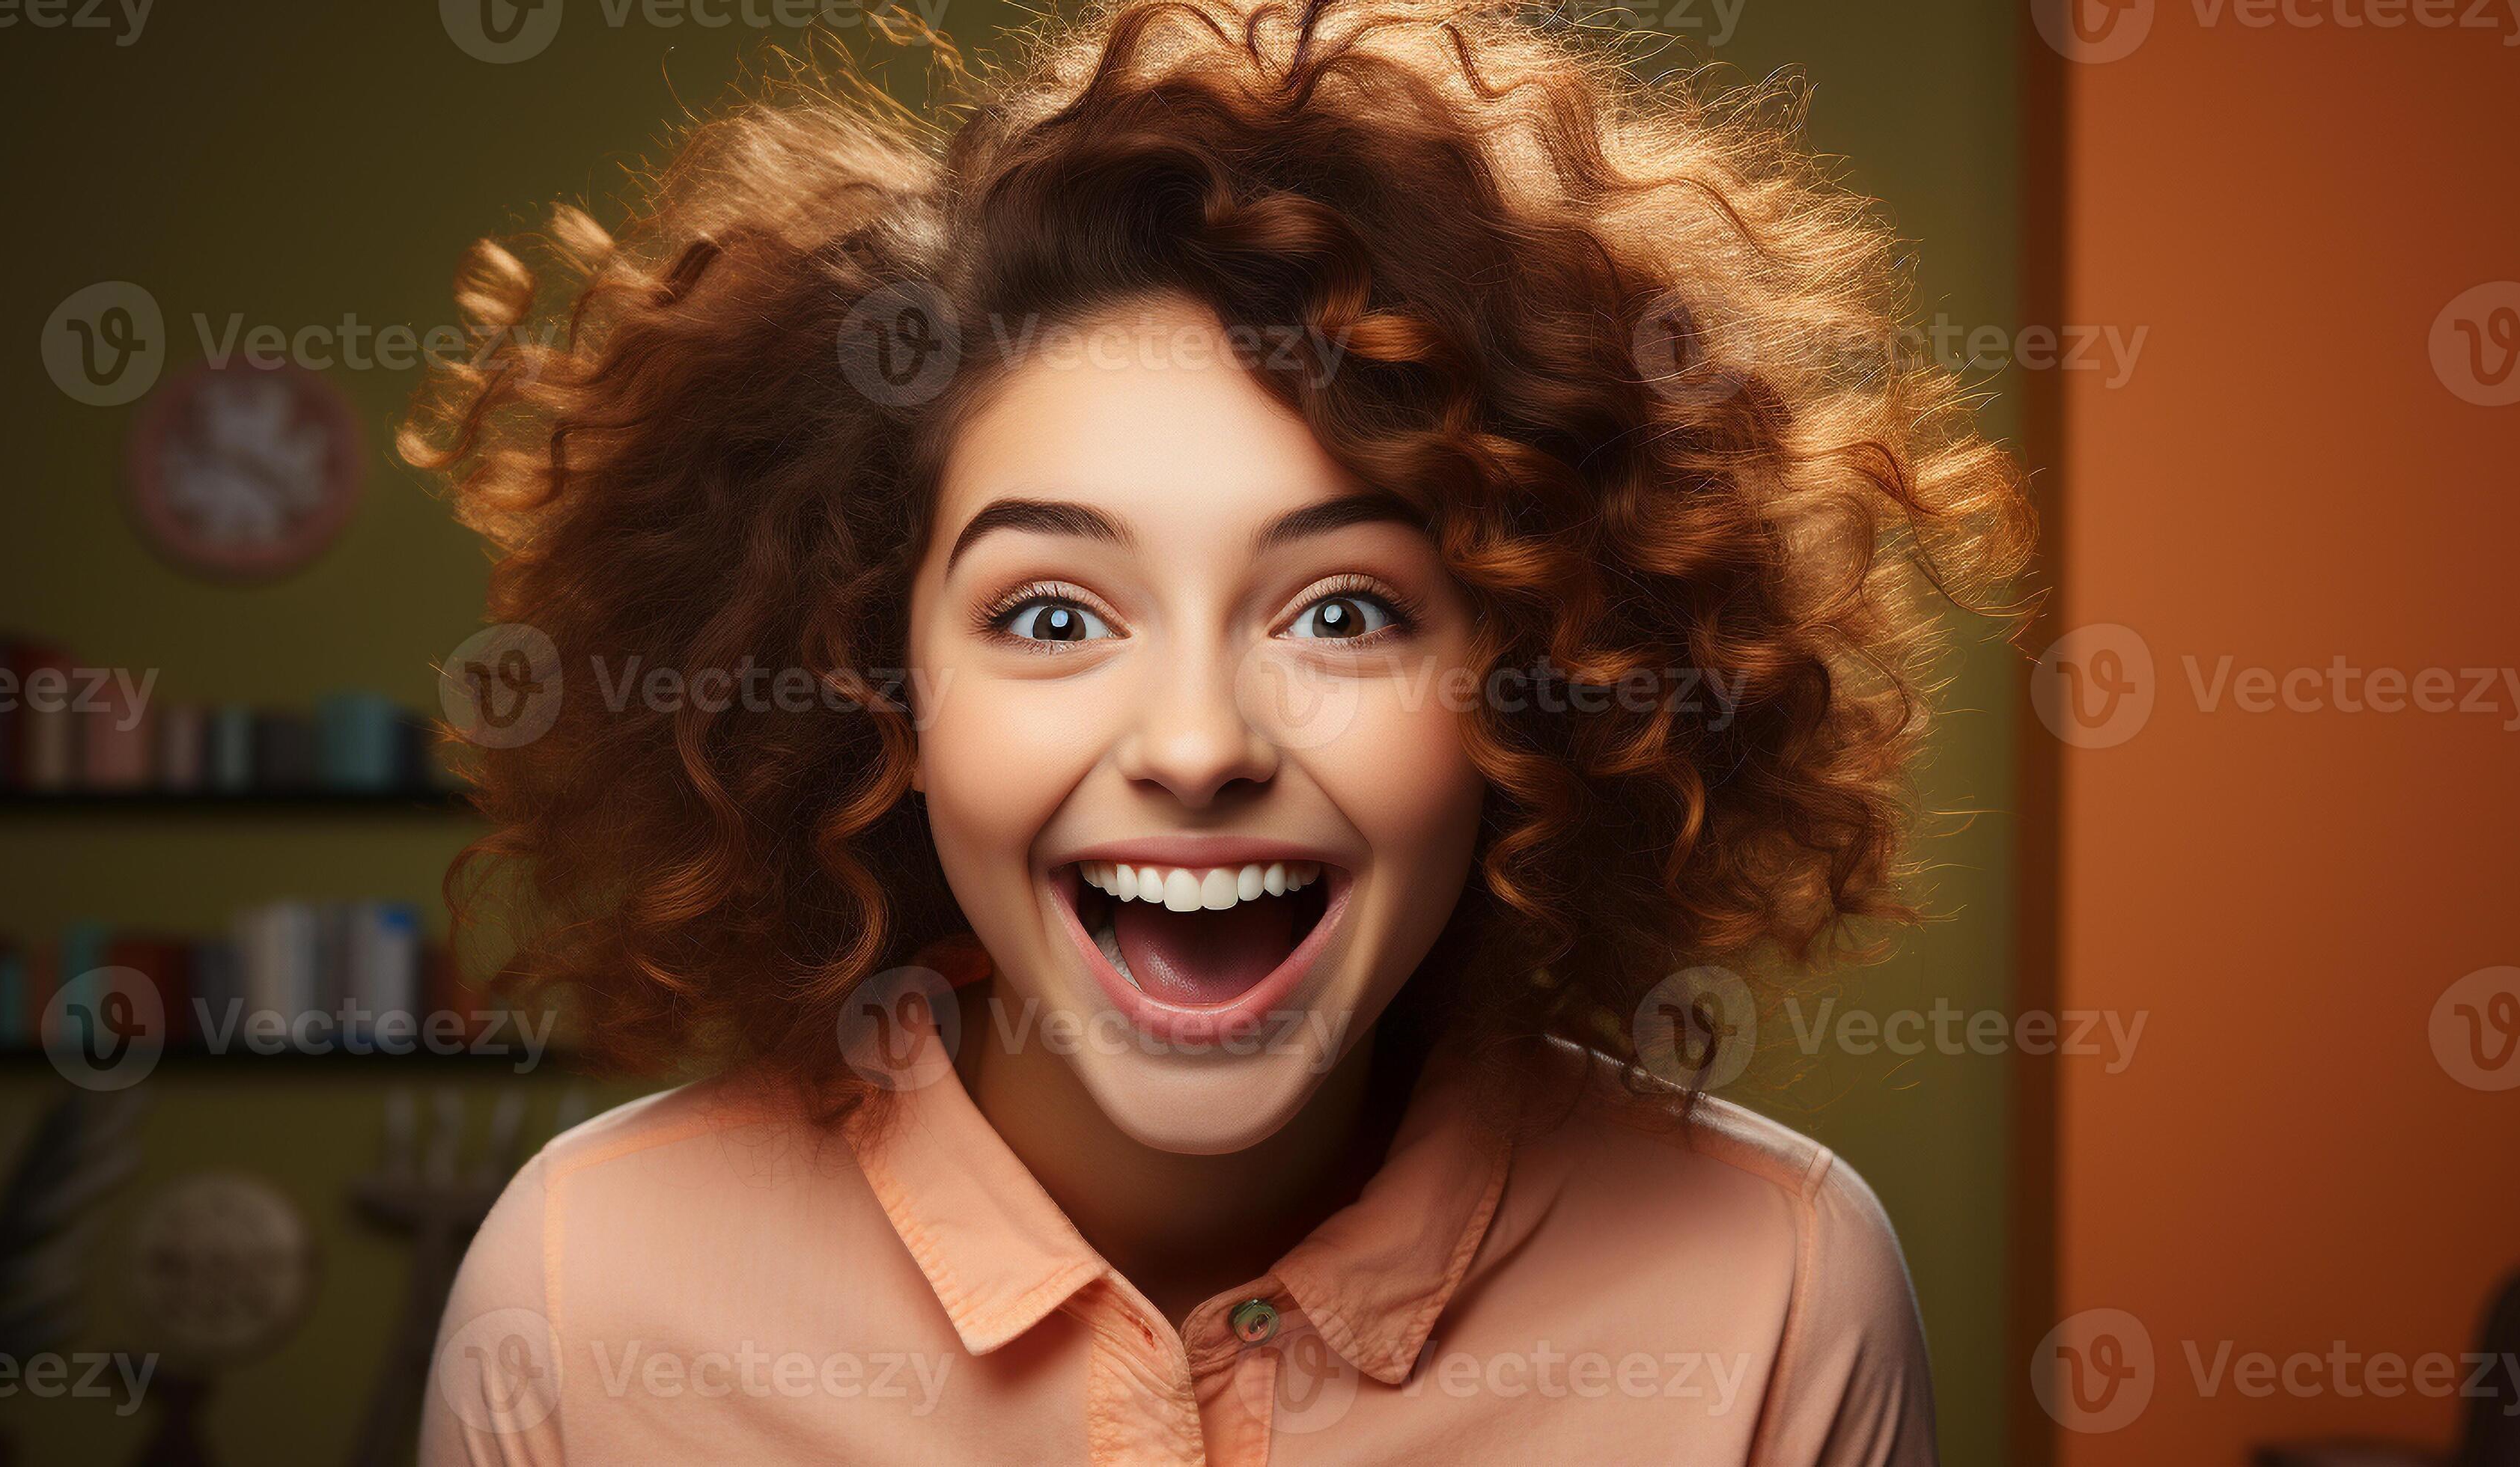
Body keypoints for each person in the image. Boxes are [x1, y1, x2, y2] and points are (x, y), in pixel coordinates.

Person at [410, 1, 2033, 1461]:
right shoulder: (587, 1298)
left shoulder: (1774, 1289)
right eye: (1053, 615)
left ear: (1539, 677)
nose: (1196, 744)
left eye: (1343, 611)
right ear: (870, 683)